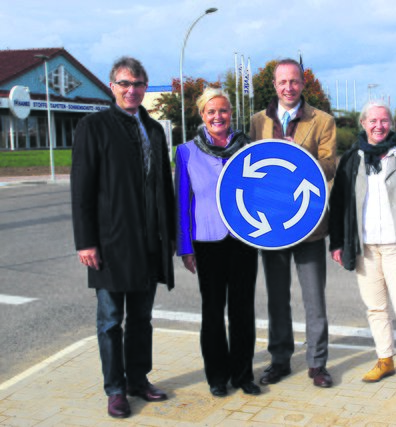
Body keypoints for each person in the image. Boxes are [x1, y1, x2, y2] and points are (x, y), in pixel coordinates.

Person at [71, 56, 176, 418]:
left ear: (146, 88)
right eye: (124, 83)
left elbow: (165, 186)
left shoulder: (154, 129)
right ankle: (115, 389)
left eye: (138, 84)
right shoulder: (94, 126)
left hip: (149, 242)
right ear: (111, 86)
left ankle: (137, 379)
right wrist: (85, 241)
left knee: (142, 320)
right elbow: (81, 189)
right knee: (111, 320)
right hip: (112, 243)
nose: (132, 90)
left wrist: (171, 236)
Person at [328, 100, 396, 396]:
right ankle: (385, 360)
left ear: (391, 124)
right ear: (363, 124)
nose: (379, 126)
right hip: (364, 247)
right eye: (373, 121)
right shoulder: (352, 158)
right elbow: (337, 203)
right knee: (375, 308)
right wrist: (337, 241)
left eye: (384, 120)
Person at [249, 58, 337, 388]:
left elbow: (329, 165)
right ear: (275, 85)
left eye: (294, 81)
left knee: (314, 299)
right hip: (271, 225)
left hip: (309, 223)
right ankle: (280, 360)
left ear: (303, 84)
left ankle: (317, 363)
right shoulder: (258, 120)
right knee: (276, 297)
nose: (289, 87)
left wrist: (299, 160)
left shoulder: (323, 120)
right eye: (283, 82)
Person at [175, 87, 260, 398]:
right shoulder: (186, 152)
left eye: (223, 111)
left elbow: (262, 189)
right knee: (212, 312)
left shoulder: (247, 147)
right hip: (207, 242)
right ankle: (217, 376)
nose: (218, 117)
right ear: (202, 115)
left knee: (242, 311)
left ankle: (243, 374)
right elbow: (182, 202)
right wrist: (184, 247)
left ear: (230, 114)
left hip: (242, 240)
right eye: (211, 112)